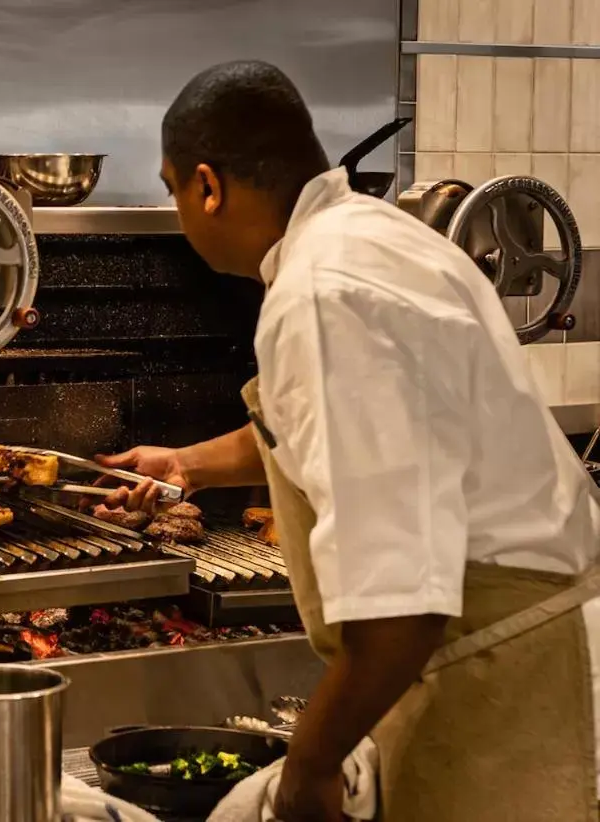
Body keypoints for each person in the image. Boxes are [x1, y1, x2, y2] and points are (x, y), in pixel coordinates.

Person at [100, 60, 600, 821]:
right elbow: (332, 426)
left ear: (208, 185)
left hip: (500, 677)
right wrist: (188, 465)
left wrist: (310, 765)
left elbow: (401, 601)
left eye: (172, 191)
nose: (180, 213)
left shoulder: (323, 294)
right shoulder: (372, 239)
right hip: (498, 655)